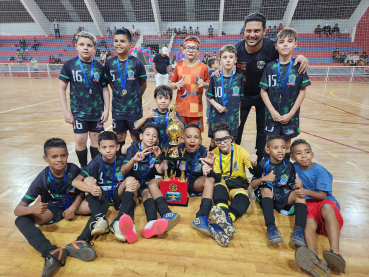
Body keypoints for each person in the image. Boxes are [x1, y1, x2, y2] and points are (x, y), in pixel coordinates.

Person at [229, 12, 308, 163]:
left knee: (262, 132)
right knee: (235, 130)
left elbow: (287, 53)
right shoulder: (235, 49)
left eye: (256, 31)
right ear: (243, 31)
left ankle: (260, 165)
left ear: (264, 31)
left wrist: (301, 57)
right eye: (249, 31)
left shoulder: (272, 47)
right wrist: (218, 68)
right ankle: (233, 162)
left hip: (264, 97)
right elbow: (222, 60)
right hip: (241, 96)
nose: (252, 34)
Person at [14, 138, 94, 277]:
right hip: (54, 208)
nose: (59, 160)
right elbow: (18, 210)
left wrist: (73, 208)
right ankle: (51, 251)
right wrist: (31, 210)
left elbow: (81, 191)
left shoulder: (73, 169)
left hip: (76, 203)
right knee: (20, 220)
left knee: (97, 204)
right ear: (46, 158)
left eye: (63, 155)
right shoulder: (42, 179)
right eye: (54, 156)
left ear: (67, 155)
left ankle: (81, 241)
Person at [148, 124, 227, 246]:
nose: (192, 140)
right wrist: (162, 157)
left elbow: (217, 179)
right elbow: (165, 168)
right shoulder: (175, 148)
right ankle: (166, 212)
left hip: (194, 183)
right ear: (182, 138)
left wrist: (210, 167)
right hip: (177, 181)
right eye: (188, 137)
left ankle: (201, 217)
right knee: (152, 182)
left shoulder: (205, 152)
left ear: (200, 140)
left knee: (209, 181)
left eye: (196, 137)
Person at [292, 140, 345, 275]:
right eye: (299, 153)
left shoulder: (320, 170)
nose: (304, 155)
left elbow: (322, 195)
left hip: (323, 200)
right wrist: (294, 186)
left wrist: (306, 191)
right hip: (308, 202)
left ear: (312, 154)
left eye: (307, 152)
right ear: (292, 157)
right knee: (308, 221)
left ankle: (335, 251)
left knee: (327, 208)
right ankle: (312, 256)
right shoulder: (292, 168)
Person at [59, 31, 110, 168]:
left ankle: (94, 168)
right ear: (76, 46)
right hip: (79, 112)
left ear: (94, 48)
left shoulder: (99, 67)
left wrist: (106, 109)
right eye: (82, 44)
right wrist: (66, 111)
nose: (85, 47)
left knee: (95, 141)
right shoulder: (69, 65)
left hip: (96, 112)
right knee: (80, 140)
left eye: (89, 45)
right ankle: (83, 168)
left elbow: (105, 89)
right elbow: (61, 88)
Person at [259, 28, 311, 161]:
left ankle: (285, 172)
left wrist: (291, 114)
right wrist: (272, 111)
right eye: (281, 42)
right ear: (276, 46)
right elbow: (263, 90)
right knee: (271, 143)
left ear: (296, 44)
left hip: (290, 115)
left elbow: (302, 91)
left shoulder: (299, 67)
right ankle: (269, 173)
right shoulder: (270, 67)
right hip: (272, 115)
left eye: (289, 41)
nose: (286, 44)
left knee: (287, 143)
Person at [116, 123, 171, 243]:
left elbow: (161, 170)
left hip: (145, 184)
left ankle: (151, 223)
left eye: (154, 136)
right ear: (141, 136)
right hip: (133, 184)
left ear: (157, 139)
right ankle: (130, 226)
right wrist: (134, 159)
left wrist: (160, 157)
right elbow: (123, 170)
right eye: (148, 134)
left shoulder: (156, 150)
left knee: (147, 194)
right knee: (133, 193)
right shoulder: (133, 148)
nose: (151, 138)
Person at [250, 135, 307, 245]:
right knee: (266, 191)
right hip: (266, 190)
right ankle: (271, 228)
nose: (280, 151)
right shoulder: (263, 163)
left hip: (282, 192)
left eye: (283, 147)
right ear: (268, 150)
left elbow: (290, 185)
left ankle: (299, 230)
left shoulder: (289, 165)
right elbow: (252, 185)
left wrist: (297, 185)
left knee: (300, 194)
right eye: (275, 148)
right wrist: (263, 179)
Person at [210, 122, 259, 245]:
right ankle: (224, 218)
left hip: (237, 184)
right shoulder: (214, 154)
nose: (222, 143)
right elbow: (216, 177)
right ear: (214, 141)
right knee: (219, 189)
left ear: (231, 138)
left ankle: (226, 220)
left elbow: (255, 172)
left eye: (225, 139)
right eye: (218, 140)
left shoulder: (239, 150)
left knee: (243, 199)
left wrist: (255, 165)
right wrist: (210, 168)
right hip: (222, 182)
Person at [103, 28, 147, 154]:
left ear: (130, 45)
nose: (118, 44)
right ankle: (120, 162)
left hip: (134, 109)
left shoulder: (137, 63)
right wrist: (120, 95)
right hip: (118, 109)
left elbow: (143, 84)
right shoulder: (110, 63)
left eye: (122, 41)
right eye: (116, 41)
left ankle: (136, 161)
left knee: (135, 136)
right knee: (120, 137)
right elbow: (110, 83)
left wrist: (135, 97)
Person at [72, 132, 122, 241]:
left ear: (117, 147)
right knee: (88, 179)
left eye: (111, 147)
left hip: (117, 194)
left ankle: (118, 221)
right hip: (101, 196)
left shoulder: (123, 160)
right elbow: (75, 182)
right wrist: (90, 188)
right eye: (104, 147)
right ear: (99, 149)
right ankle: (100, 218)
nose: (108, 150)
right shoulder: (96, 162)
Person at [206, 45, 243, 150]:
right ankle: (212, 164)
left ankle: (229, 165)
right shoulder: (215, 78)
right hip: (216, 116)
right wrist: (216, 105)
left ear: (235, 60)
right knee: (214, 142)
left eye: (231, 57)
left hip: (232, 116)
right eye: (225, 57)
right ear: (220, 60)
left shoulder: (239, 78)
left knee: (231, 141)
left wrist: (239, 116)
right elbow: (209, 96)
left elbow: (239, 99)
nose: (228, 60)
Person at [170, 35, 210, 132]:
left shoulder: (203, 67)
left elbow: (209, 85)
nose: (191, 50)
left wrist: (204, 84)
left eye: (194, 48)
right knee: (180, 137)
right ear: (183, 50)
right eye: (188, 47)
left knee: (195, 137)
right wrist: (176, 84)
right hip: (181, 109)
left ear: (198, 51)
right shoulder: (178, 67)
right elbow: (172, 85)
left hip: (196, 110)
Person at [205, 58, 220, 125]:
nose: (218, 63)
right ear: (213, 65)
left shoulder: (215, 72)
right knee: (209, 106)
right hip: (210, 93)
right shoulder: (212, 73)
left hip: (213, 93)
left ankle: (210, 119)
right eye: (217, 63)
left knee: (210, 106)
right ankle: (209, 119)